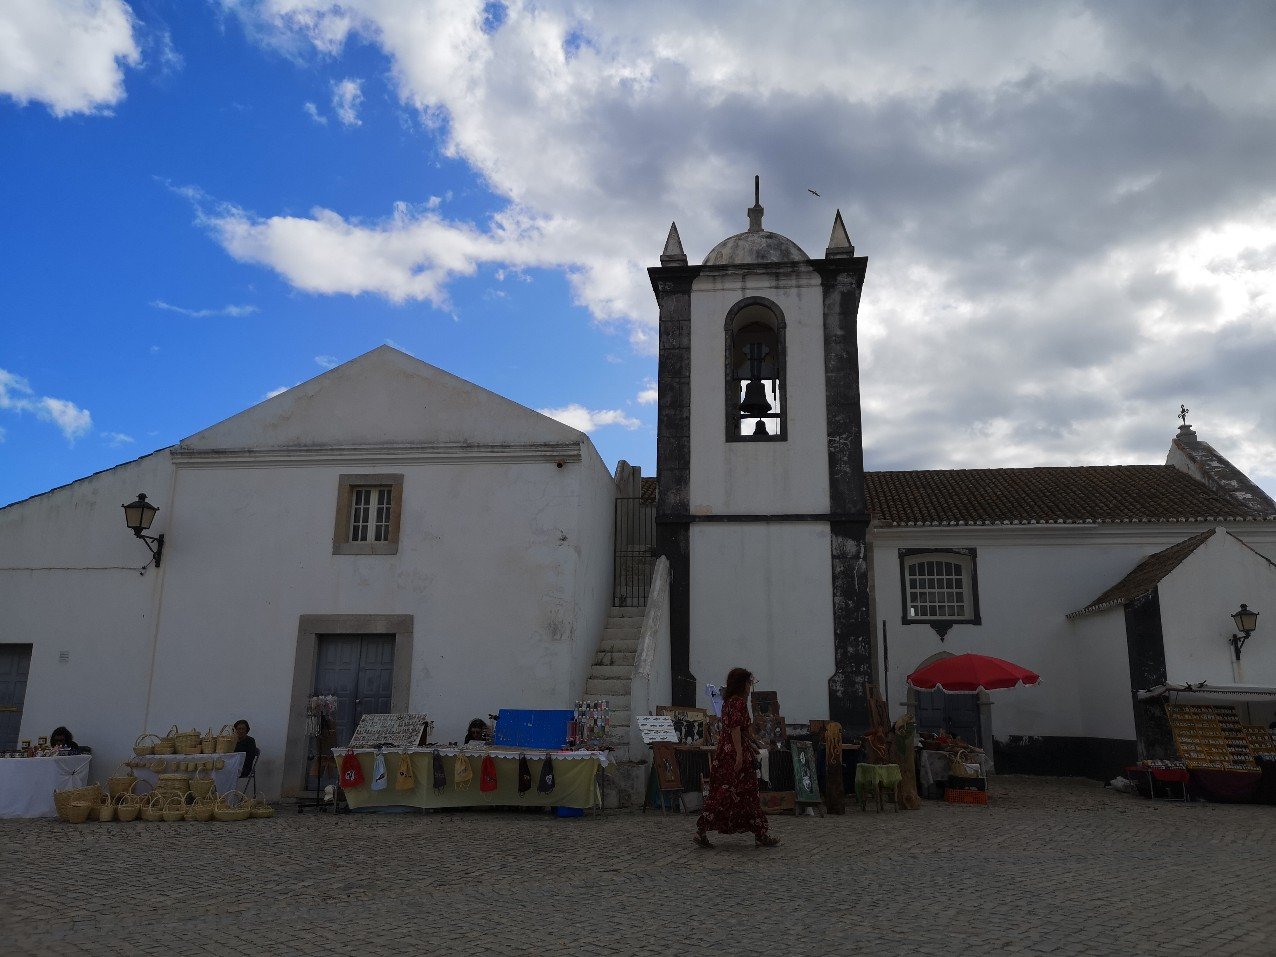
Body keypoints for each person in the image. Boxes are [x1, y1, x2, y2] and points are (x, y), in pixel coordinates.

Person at [693, 667, 779, 849]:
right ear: (742, 684)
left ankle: (758, 832)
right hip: (734, 753)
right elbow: (735, 729)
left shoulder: (728, 702)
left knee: (726, 792)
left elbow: (738, 729)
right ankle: (760, 833)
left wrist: (753, 745)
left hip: (725, 752)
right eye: (748, 683)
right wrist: (739, 754)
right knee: (744, 792)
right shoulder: (738, 702)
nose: (750, 686)